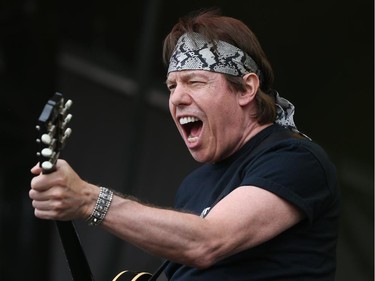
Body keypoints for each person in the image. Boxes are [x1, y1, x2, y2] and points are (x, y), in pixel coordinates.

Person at [29, 9, 340, 281]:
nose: (176, 98)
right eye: (171, 86)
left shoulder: (295, 159)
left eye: (194, 82)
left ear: (246, 89)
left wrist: (87, 199)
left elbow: (208, 241)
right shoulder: (194, 185)